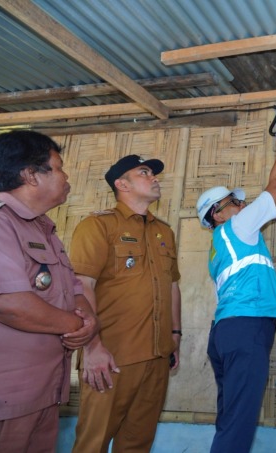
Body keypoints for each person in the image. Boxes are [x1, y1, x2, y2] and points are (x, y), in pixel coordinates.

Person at [70, 154, 182, 452]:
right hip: (111, 357)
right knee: (92, 443)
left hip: (157, 356)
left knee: (137, 443)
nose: (154, 177)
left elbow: (172, 286)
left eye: (154, 173)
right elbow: (81, 286)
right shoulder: (98, 226)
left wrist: (175, 336)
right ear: (122, 184)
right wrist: (92, 348)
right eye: (145, 172)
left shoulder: (164, 232)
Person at [195, 125, 276, 453]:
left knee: (229, 420)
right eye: (234, 201)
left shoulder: (216, 249)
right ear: (218, 213)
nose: (242, 204)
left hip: (225, 333)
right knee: (238, 425)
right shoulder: (237, 226)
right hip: (246, 329)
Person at [0, 130, 98, 452]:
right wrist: (80, 326)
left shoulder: (42, 227)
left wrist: (87, 320)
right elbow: (11, 304)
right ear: (30, 174)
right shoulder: (0, 222)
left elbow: (72, 289)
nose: (66, 176)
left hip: (45, 390)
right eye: (58, 166)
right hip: (8, 395)